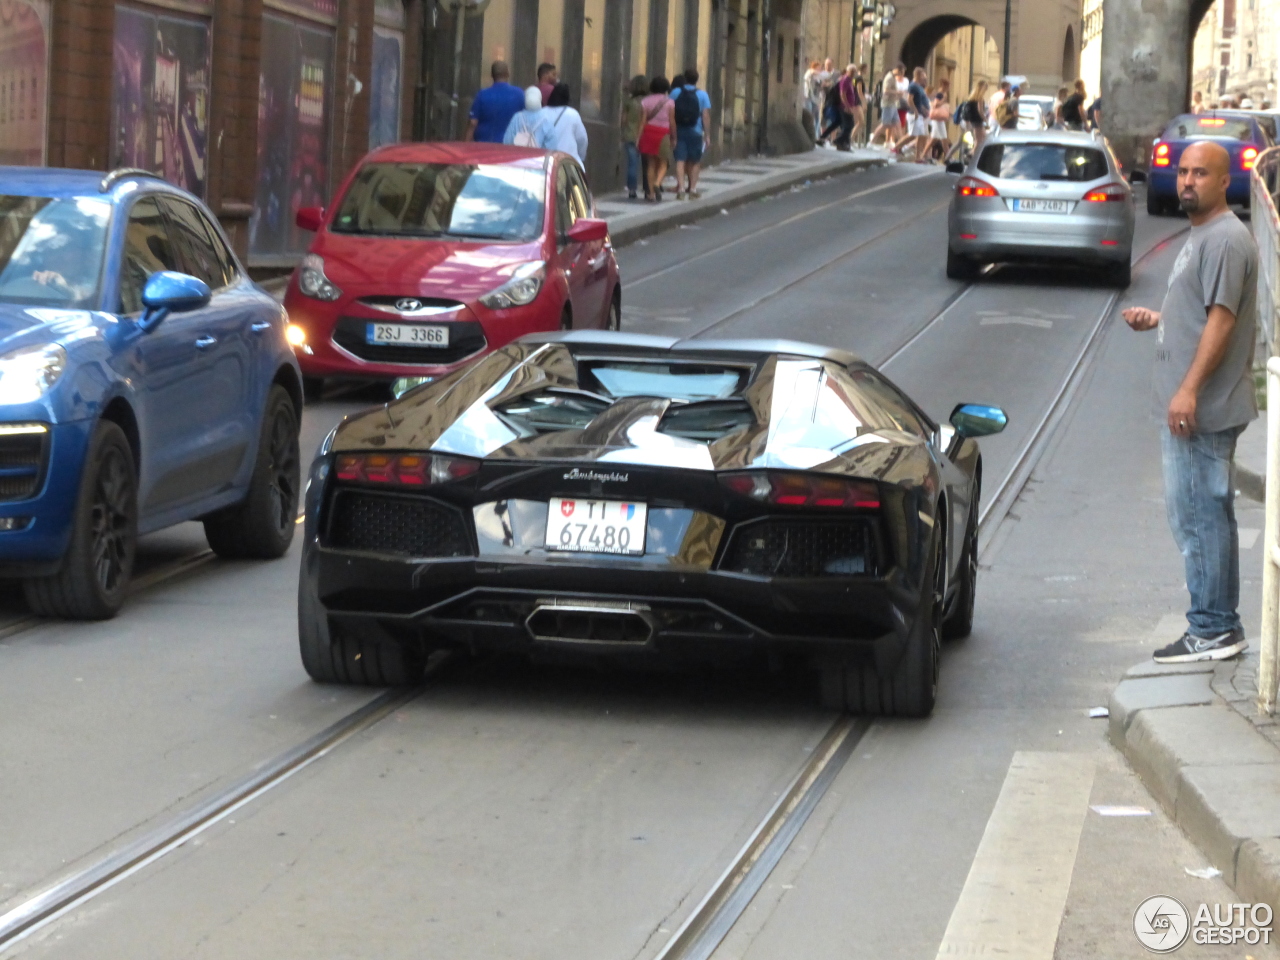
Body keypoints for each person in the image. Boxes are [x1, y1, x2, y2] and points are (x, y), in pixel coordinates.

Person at [1121, 141, 1257, 664]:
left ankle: (1212, 628)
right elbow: (1204, 311)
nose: (1187, 182)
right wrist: (1161, 320)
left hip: (1203, 409)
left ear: (1225, 182)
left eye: (1201, 173)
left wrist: (1188, 389)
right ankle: (1220, 625)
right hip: (1199, 406)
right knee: (1206, 515)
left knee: (1199, 516)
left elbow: (1222, 319)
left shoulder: (1223, 239)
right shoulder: (1206, 235)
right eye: (1182, 172)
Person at [670, 68, 712, 199]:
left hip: (680, 129)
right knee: (695, 161)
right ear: (696, 80)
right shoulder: (703, 95)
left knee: (680, 160)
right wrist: (707, 135)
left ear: (685, 78)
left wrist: (672, 133)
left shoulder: (676, 92)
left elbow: (670, 112)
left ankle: (681, 189)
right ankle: (693, 189)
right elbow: (705, 116)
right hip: (696, 131)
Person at [465, 61, 526, 143]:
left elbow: (473, 123)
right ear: (508, 74)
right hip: (510, 145)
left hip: (484, 145)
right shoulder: (519, 94)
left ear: (492, 75)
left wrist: (466, 144)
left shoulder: (482, 95)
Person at [638, 76, 675, 201]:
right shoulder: (669, 102)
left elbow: (642, 121)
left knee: (651, 164)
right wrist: (674, 137)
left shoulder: (645, 101)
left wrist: (638, 137)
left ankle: (651, 194)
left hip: (649, 132)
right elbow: (672, 121)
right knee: (664, 162)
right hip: (664, 134)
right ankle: (657, 183)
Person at [540, 82, 588, 165]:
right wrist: (581, 156)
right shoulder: (572, 114)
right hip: (567, 161)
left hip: (544, 161)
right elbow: (582, 139)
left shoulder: (541, 113)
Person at [620, 75, 649, 200]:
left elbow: (624, 120)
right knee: (648, 163)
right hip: (646, 135)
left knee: (632, 163)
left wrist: (623, 132)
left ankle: (632, 189)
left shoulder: (629, 102)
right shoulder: (648, 101)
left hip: (631, 135)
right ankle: (648, 188)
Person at [895, 66, 931, 158]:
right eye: (923, 75)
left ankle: (918, 156)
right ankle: (897, 147)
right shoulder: (913, 86)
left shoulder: (919, 87)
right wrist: (915, 111)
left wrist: (925, 110)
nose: (924, 77)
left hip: (920, 114)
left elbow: (920, 101)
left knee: (921, 135)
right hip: (914, 114)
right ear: (918, 75)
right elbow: (910, 100)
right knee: (913, 135)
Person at [870, 64, 904, 146]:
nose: (902, 74)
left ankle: (902, 144)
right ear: (897, 70)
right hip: (888, 104)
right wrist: (897, 92)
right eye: (901, 72)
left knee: (897, 124)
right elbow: (886, 90)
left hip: (893, 104)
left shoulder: (893, 78)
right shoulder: (889, 78)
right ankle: (871, 141)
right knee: (885, 124)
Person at [922, 78, 952, 161]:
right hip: (938, 119)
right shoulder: (940, 94)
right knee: (944, 138)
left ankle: (923, 154)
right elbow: (936, 105)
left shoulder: (942, 93)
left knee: (934, 139)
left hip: (938, 120)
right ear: (944, 86)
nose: (949, 88)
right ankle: (949, 157)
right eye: (948, 86)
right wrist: (943, 101)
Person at [961, 79, 988, 153]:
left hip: (973, 121)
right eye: (985, 88)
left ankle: (973, 154)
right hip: (978, 121)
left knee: (981, 139)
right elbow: (980, 111)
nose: (986, 90)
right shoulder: (980, 98)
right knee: (979, 140)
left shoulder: (972, 98)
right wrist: (986, 120)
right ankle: (971, 155)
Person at [803, 59, 823, 138]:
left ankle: (817, 136)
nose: (820, 69)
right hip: (808, 97)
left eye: (820, 68)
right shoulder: (809, 73)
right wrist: (822, 74)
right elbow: (812, 71)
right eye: (818, 67)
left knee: (817, 117)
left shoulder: (818, 78)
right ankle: (810, 135)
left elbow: (820, 88)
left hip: (816, 99)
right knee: (809, 115)